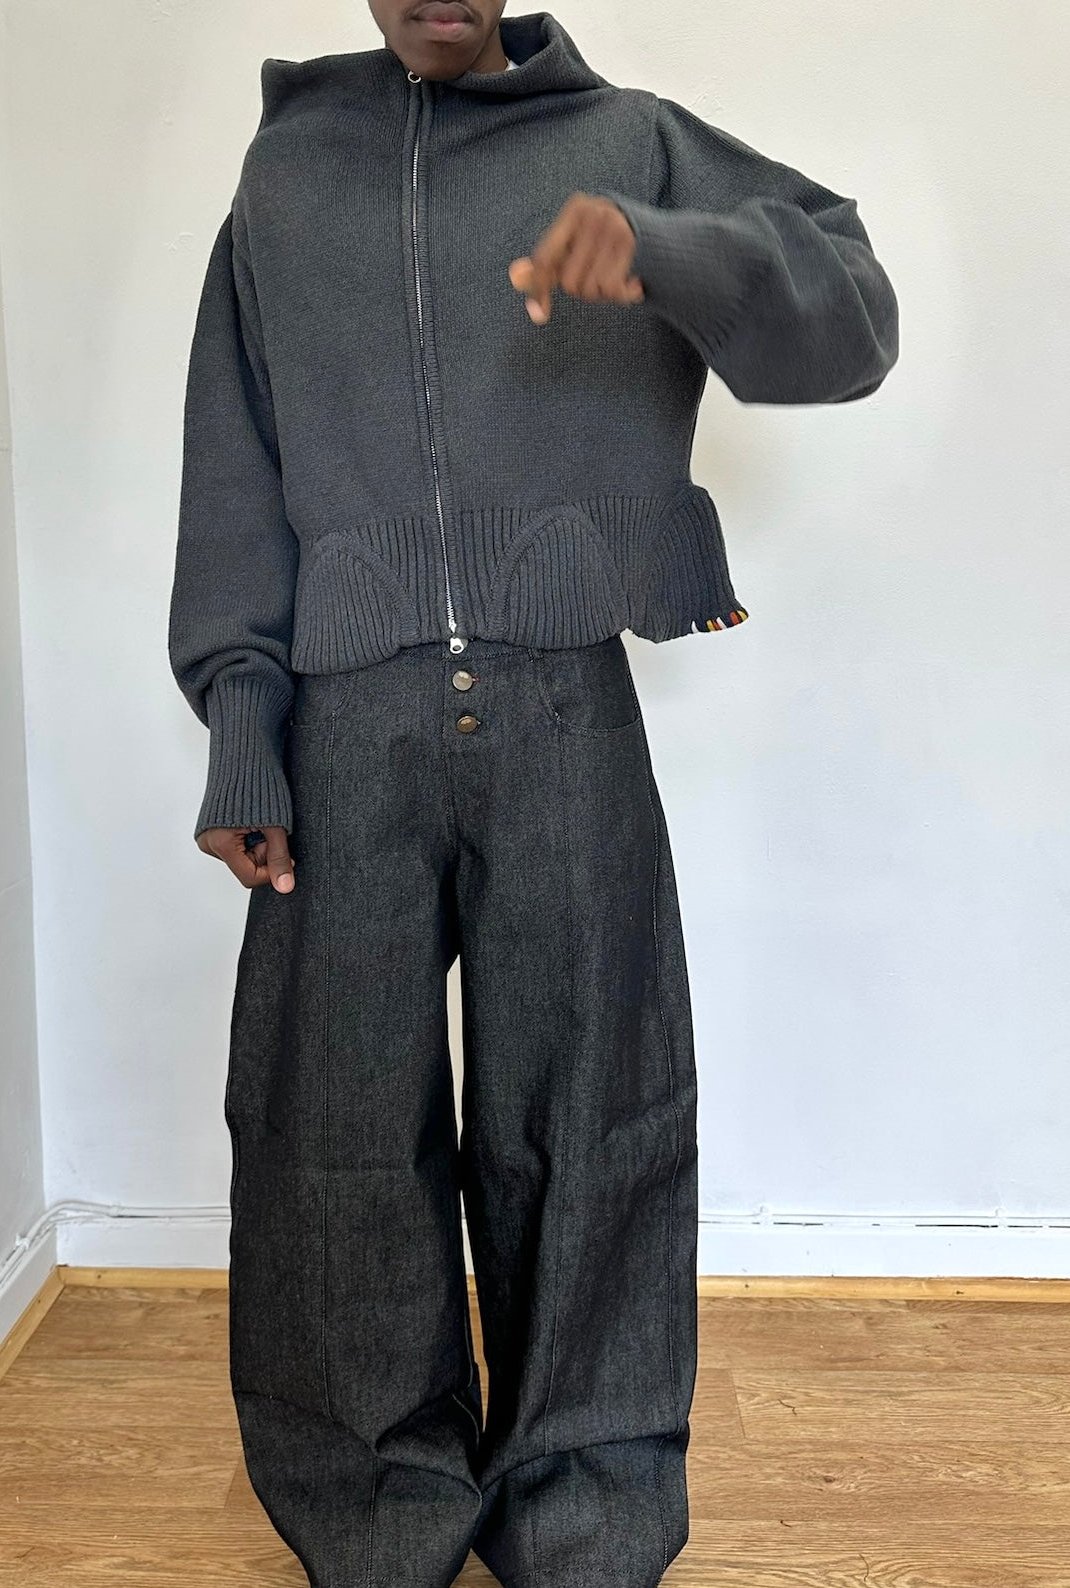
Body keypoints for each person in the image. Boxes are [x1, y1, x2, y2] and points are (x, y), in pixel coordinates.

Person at [167, 6, 899, 1586]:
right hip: (344, 729)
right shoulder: (286, 177)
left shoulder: (624, 139)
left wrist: (670, 252)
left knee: (595, 1117)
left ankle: (586, 1502)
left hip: (566, 703)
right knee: (331, 1130)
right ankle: (379, 1506)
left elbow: (854, 317)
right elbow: (234, 464)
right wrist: (242, 720)